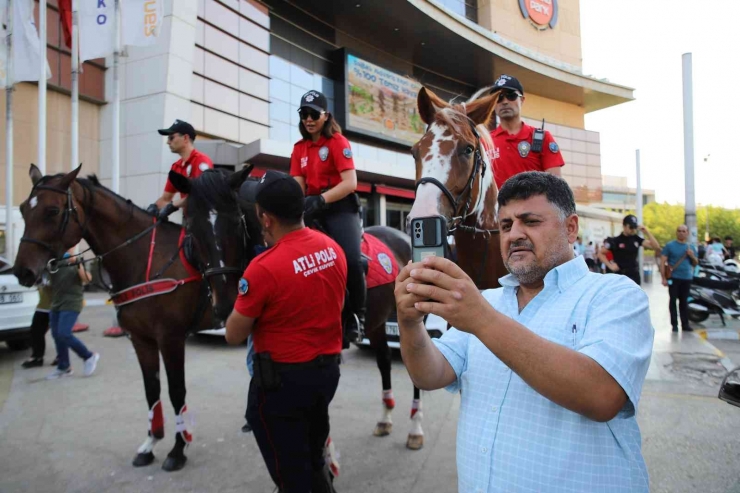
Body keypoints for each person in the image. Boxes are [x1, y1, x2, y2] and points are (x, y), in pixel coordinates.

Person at [395, 172, 653, 492]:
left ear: (570, 228)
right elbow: (429, 375)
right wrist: (409, 323)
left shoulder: (615, 295)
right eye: (505, 226)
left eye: (529, 221)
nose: (514, 234)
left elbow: (601, 395)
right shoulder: (487, 301)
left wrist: (481, 319)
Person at [225, 170, 346, 493]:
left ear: (265, 219)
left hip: (282, 387)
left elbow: (233, 334)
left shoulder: (263, 268)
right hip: (326, 375)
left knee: (291, 477)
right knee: (313, 459)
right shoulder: (332, 249)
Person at [289, 89, 366, 343]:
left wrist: (321, 199)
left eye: (313, 114)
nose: (308, 119)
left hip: (340, 208)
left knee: (352, 260)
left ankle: (358, 315)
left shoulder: (337, 143)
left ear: (326, 116)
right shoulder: (298, 148)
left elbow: (350, 182)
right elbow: (297, 186)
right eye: (304, 114)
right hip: (310, 209)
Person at [486, 74, 565, 189]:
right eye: (499, 98)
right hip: (499, 207)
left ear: (522, 100)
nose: (505, 102)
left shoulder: (542, 138)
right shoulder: (484, 142)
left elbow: (556, 186)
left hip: (533, 207)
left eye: (511, 96)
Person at [46, 248, 100, 379]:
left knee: (64, 333)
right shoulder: (54, 261)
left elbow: (87, 279)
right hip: (56, 303)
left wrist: (77, 263)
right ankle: (64, 367)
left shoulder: (76, 261)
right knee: (56, 334)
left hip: (72, 302)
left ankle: (88, 356)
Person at [147, 119, 213, 219]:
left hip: (207, 222)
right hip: (190, 222)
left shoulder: (201, 160)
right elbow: (166, 199)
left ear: (185, 138)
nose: (168, 142)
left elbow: (201, 194)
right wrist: (153, 208)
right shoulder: (176, 167)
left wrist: (173, 205)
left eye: (171, 137)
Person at [599, 214, 660, 285]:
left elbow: (656, 247)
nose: (633, 230)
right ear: (624, 226)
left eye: (634, 227)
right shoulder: (615, 240)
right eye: (631, 227)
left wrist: (647, 232)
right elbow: (601, 253)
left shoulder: (636, 239)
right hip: (621, 275)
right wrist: (610, 265)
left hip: (634, 275)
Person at [660, 225, 698, 333]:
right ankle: (674, 325)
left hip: (686, 278)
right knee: (672, 301)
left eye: (684, 231)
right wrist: (663, 277)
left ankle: (685, 324)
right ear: (676, 232)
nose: (681, 233)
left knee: (684, 302)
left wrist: (691, 256)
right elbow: (663, 261)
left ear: (687, 233)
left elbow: (695, 263)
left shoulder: (691, 247)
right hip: (674, 278)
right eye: (679, 231)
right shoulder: (670, 246)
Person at [21, 281, 54, 368]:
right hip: (42, 305)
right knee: (35, 331)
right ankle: (37, 357)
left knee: (59, 333)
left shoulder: (57, 268)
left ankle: (62, 357)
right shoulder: (42, 270)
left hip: (56, 304)